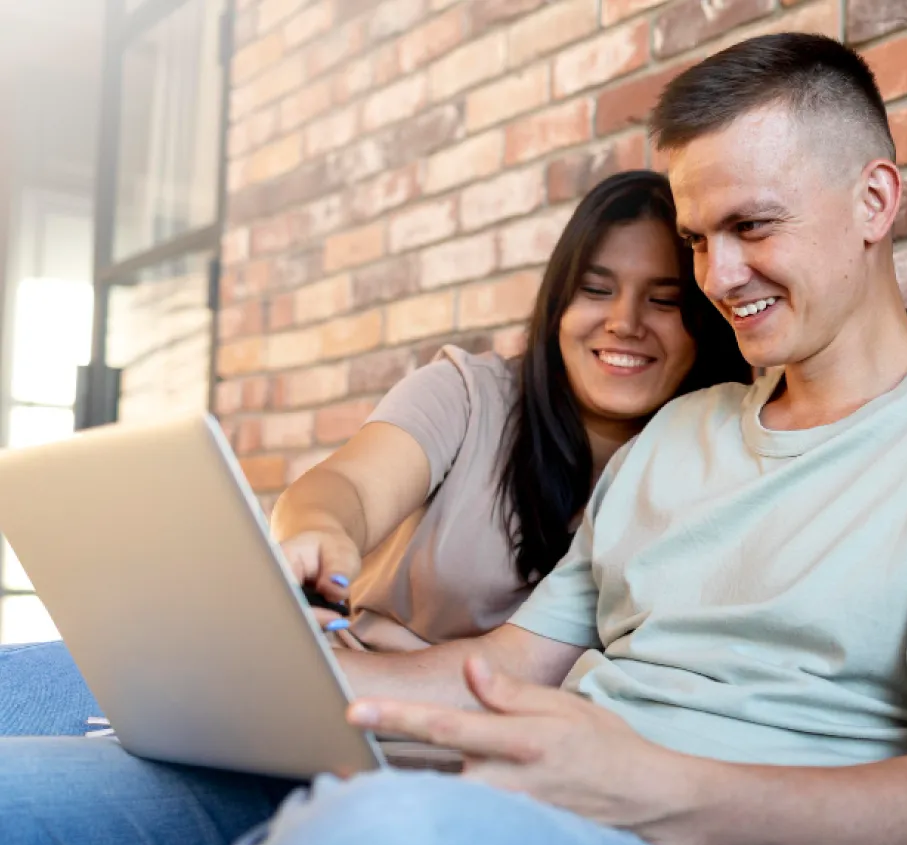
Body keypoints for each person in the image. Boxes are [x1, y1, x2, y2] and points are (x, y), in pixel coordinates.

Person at [210, 32, 907, 845]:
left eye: (752, 226)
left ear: (874, 202)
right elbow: (508, 668)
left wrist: (647, 787)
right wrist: (246, 678)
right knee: (107, 770)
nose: (720, 275)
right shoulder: (676, 434)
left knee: (357, 842)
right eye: (701, 239)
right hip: (544, 821)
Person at [0, 169, 748, 738]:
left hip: (451, 763)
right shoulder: (472, 393)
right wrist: (322, 530)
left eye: (664, 299)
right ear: (557, 304)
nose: (623, 323)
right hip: (320, 691)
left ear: (706, 321)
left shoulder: (704, 465)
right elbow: (350, 486)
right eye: (595, 289)